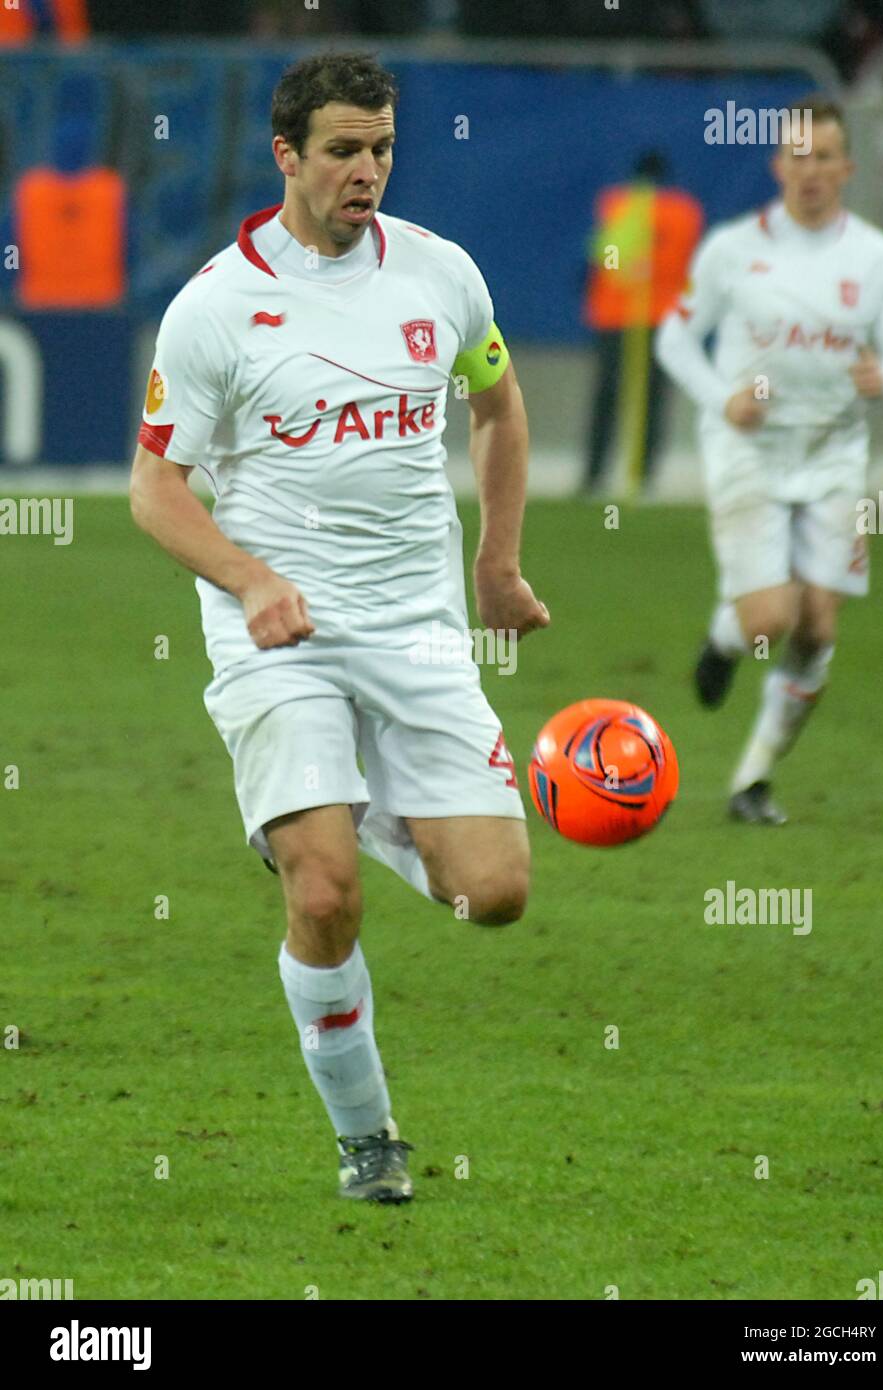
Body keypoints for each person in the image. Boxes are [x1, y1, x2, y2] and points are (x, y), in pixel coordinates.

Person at [129, 52, 549, 1203]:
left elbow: (498, 403)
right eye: (342, 152)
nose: (366, 172)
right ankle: (368, 1139)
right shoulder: (215, 305)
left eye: (381, 149)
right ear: (286, 156)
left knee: (493, 896)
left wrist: (497, 562)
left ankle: (339, 806)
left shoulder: (438, 275)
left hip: (415, 628)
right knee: (320, 894)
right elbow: (153, 489)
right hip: (280, 635)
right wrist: (249, 577)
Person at [655, 95, 883, 824]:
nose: (811, 171)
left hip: (834, 451)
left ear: (847, 166)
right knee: (771, 618)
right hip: (750, 447)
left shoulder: (872, 257)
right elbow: (674, 339)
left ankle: (751, 783)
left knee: (818, 628)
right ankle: (725, 633)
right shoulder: (733, 249)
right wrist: (722, 397)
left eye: (825, 157)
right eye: (798, 156)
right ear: (778, 164)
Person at [583, 152, 703, 494]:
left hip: (614, 314)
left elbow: (603, 256)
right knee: (653, 398)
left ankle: (594, 476)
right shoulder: (686, 211)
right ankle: (644, 476)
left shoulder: (615, 203)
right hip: (661, 316)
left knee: (607, 395)